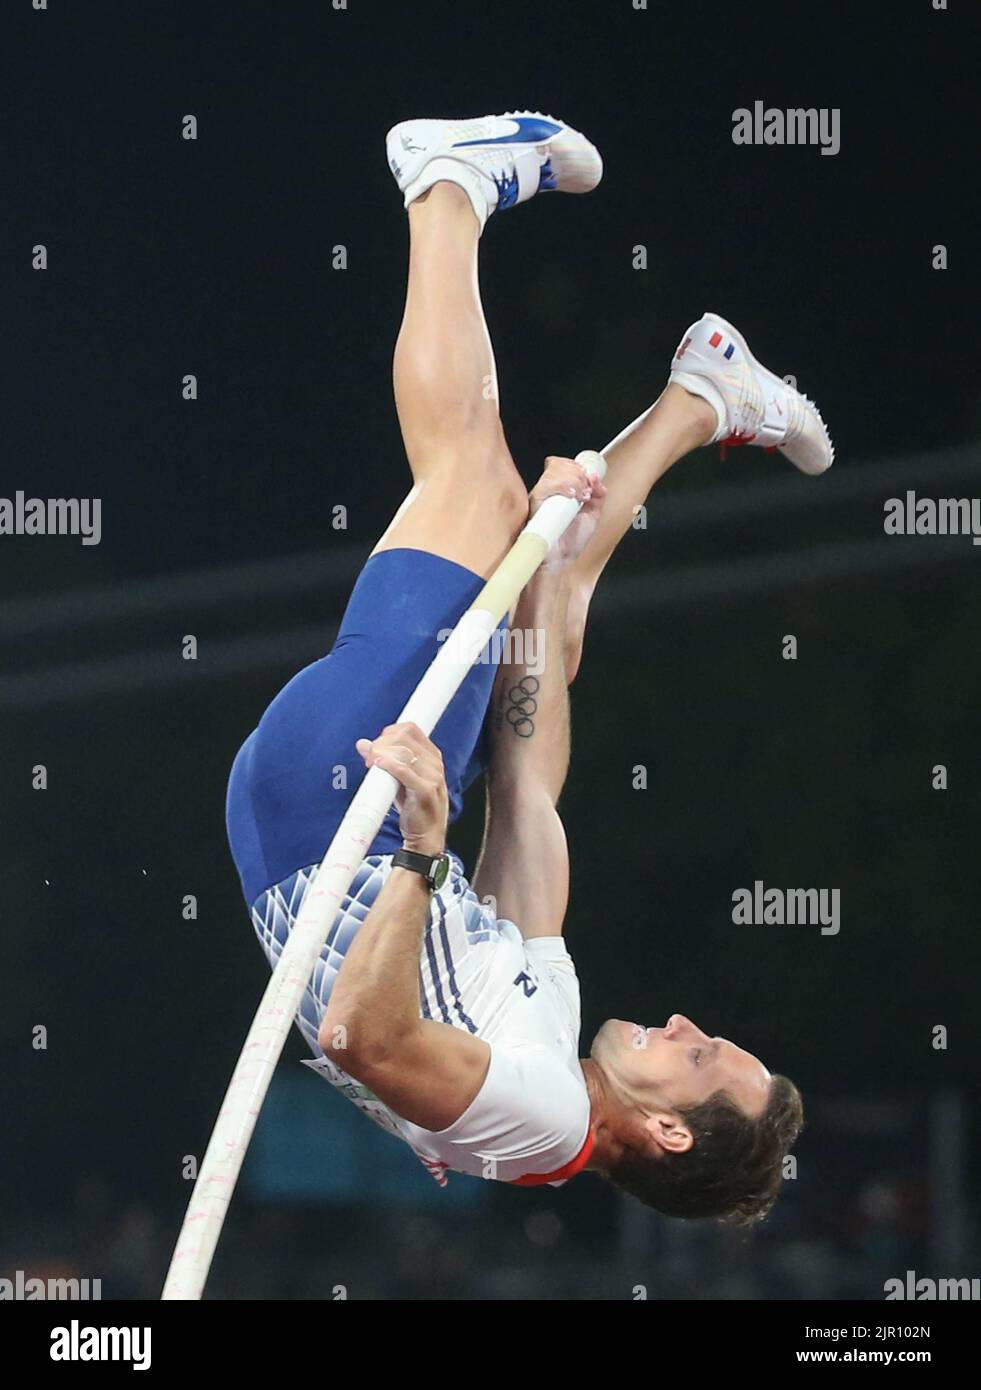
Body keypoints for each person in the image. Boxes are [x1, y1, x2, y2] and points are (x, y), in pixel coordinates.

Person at [226, 113, 831, 1222]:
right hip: (310, 826)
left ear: (666, 1130)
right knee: (542, 621)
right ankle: (701, 399)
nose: (689, 1026)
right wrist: (548, 569)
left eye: (702, 1058)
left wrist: (416, 850)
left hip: (337, 814)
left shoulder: (544, 1114)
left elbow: (365, 1037)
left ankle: (445, 185)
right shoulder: (553, 1054)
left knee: (479, 479)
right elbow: (525, 792)